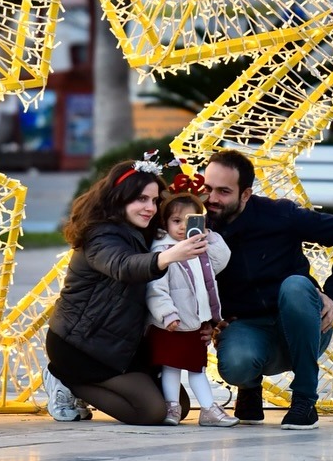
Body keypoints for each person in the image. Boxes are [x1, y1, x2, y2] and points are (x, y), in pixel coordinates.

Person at [202, 148, 333, 429]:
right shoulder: (199, 223)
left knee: (294, 286)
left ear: (245, 194)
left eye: (223, 191)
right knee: (235, 364)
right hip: (246, 326)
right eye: (208, 189)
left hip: (300, 322)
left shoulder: (279, 214)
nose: (212, 199)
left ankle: (305, 400)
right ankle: (250, 387)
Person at [43, 156, 209, 425]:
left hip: (123, 345)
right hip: (83, 345)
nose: (150, 208)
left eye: (155, 201)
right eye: (141, 199)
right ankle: (64, 379)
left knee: (177, 407)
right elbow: (123, 266)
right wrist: (168, 256)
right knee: (151, 413)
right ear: (120, 198)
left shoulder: (145, 232)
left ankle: (89, 384)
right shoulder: (100, 234)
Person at [145, 191, 237, 427]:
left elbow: (221, 260)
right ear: (164, 222)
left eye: (190, 221)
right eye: (176, 221)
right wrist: (167, 314)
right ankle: (173, 407)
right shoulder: (163, 251)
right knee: (171, 367)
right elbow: (156, 288)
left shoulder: (198, 247)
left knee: (197, 368)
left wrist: (209, 237)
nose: (181, 227)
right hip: (171, 323)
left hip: (196, 322)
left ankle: (207, 409)